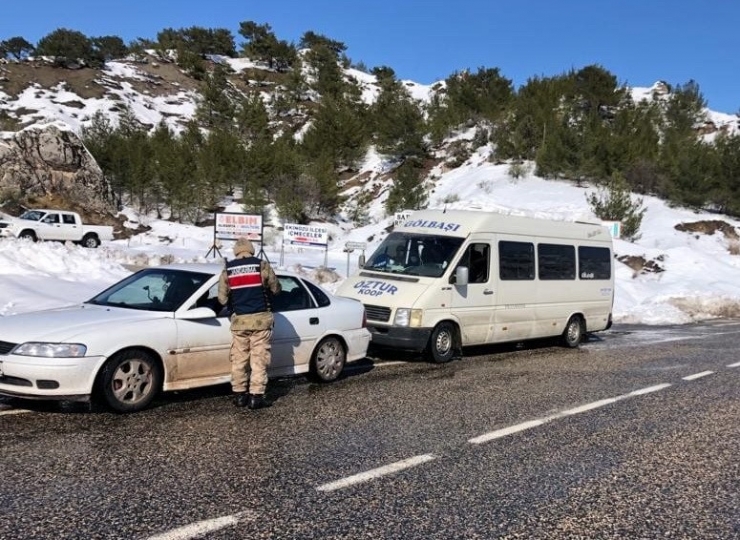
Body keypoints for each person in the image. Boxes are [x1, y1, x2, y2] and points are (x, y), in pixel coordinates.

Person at [218, 237, 281, 410]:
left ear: (235, 252)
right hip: (261, 322)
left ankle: (239, 396)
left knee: (239, 360)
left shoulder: (228, 270)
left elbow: (222, 299)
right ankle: (256, 397)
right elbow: (276, 289)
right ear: (251, 250)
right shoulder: (261, 265)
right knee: (259, 360)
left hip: (240, 323)